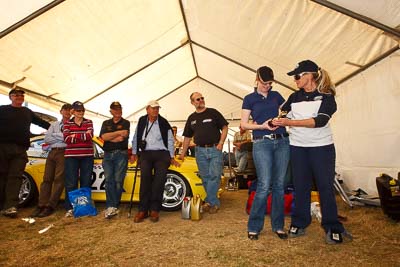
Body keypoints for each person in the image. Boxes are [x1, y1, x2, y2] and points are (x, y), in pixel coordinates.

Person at [273, 60, 352, 244]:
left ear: (309, 76)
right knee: (301, 187)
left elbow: (319, 122)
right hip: (298, 148)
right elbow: (283, 114)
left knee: (325, 187)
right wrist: (276, 120)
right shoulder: (293, 97)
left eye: (298, 76)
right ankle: (300, 223)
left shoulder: (326, 96)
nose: (295, 80)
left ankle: (332, 226)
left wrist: (289, 123)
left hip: (322, 148)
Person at [241, 66, 290, 240]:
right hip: (262, 143)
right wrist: (262, 125)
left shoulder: (277, 96)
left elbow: (288, 112)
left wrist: (280, 120)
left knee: (279, 185)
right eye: (264, 83)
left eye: (269, 83)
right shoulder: (249, 99)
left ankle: (278, 226)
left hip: (282, 141)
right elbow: (244, 124)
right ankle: (254, 226)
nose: (267, 86)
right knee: (264, 184)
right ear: (257, 79)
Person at [0, 88, 50, 218]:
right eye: (16, 95)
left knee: (16, 177)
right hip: (2, 147)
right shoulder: (2, 110)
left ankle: (10, 206)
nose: (19, 97)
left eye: (22, 95)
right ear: (10, 97)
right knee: (1, 175)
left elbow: (42, 123)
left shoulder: (27, 112)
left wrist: (58, 128)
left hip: (20, 149)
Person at [130, 100, 180, 223]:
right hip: (146, 153)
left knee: (159, 180)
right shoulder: (142, 121)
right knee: (145, 179)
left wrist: (171, 156)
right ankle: (143, 209)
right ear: (147, 109)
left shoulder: (163, 122)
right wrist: (134, 153)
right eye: (153, 108)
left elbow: (170, 140)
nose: (156, 110)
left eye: (157, 108)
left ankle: (155, 209)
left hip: (161, 154)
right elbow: (136, 137)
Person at [179, 92, 228, 214]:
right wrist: (182, 153)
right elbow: (187, 138)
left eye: (202, 98)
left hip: (215, 149)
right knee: (205, 178)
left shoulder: (213, 112)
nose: (200, 100)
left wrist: (221, 142)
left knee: (215, 176)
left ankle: (211, 202)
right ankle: (212, 202)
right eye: (197, 99)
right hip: (199, 151)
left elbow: (225, 127)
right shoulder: (191, 118)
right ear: (192, 103)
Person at [30, 103, 72, 218]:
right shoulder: (54, 124)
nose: (67, 112)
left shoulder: (73, 124)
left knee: (58, 180)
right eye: (65, 110)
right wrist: (62, 135)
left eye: (69, 110)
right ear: (61, 111)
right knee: (46, 179)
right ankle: (41, 204)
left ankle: (50, 206)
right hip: (52, 152)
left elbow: (69, 139)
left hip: (64, 152)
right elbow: (47, 138)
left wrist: (56, 135)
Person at [63, 101, 94, 217]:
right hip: (71, 157)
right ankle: (70, 208)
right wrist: (82, 136)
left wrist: (74, 135)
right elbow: (66, 139)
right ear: (73, 112)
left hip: (87, 156)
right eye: (78, 110)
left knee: (86, 182)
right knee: (71, 183)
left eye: (82, 110)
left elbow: (90, 136)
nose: (80, 112)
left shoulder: (89, 122)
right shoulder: (67, 123)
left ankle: (84, 207)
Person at [100, 101, 130, 219]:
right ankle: (111, 206)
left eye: (119, 109)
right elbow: (103, 137)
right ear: (111, 111)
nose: (118, 111)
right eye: (115, 109)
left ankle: (114, 205)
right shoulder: (105, 122)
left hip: (120, 154)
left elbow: (123, 137)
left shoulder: (126, 122)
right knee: (109, 180)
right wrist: (116, 134)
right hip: (107, 155)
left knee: (118, 180)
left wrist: (110, 136)